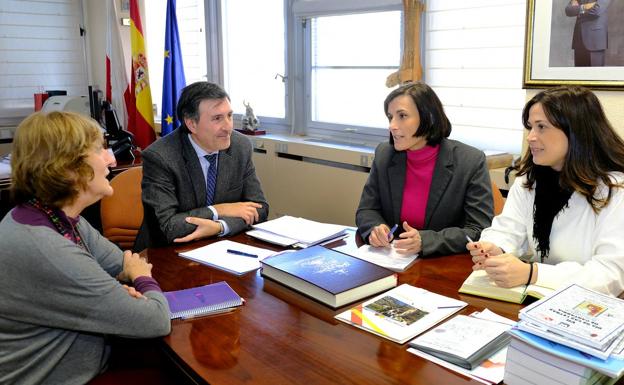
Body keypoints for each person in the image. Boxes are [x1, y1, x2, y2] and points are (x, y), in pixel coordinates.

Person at [0, 111, 171, 384]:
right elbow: (155, 319)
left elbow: (119, 263)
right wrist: (141, 279)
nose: (111, 158)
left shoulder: (55, 216)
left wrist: (122, 282)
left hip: (86, 359)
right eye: (99, 149)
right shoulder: (49, 250)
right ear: (67, 168)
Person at [468, 86, 624, 297]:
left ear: (575, 131)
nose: (531, 137)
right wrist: (495, 248)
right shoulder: (529, 180)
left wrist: (533, 273)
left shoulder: (615, 190)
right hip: (538, 300)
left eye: (541, 127)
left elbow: (610, 274)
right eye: (530, 127)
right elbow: (508, 230)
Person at [356, 82, 494, 257]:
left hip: (443, 264)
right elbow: (367, 210)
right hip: (394, 260)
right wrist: (375, 228)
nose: (392, 125)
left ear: (428, 117)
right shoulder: (384, 154)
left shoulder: (470, 161)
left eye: (402, 116)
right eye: (390, 117)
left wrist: (426, 241)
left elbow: (478, 229)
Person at [136, 81, 269, 250]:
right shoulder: (160, 157)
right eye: (217, 118)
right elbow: (169, 226)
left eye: (229, 115)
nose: (228, 127)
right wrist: (219, 210)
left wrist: (220, 226)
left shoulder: (240, 146)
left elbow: (260, 209)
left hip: (221, 248)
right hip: (165, 253)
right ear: (192, 124)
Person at [565, 0, 611, 67]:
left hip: (595, 40)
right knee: (579, 75)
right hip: (579, 38)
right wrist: (585, 7)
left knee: (595, 75)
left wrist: (578, 10)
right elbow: (568, 10)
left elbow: (596, 10)